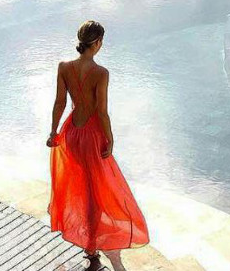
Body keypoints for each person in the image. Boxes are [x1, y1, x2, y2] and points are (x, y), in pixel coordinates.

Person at [47, 20, 149, 271]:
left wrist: (53, 131)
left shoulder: (64, 67)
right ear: (98, 43)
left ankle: (91, 251)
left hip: (71, 133)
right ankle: (94, 243)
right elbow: (102, 112)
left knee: (80, 187)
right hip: (92, 135)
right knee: (98, 191)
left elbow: (60, 103)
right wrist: (110, 138)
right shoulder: (101, 73)